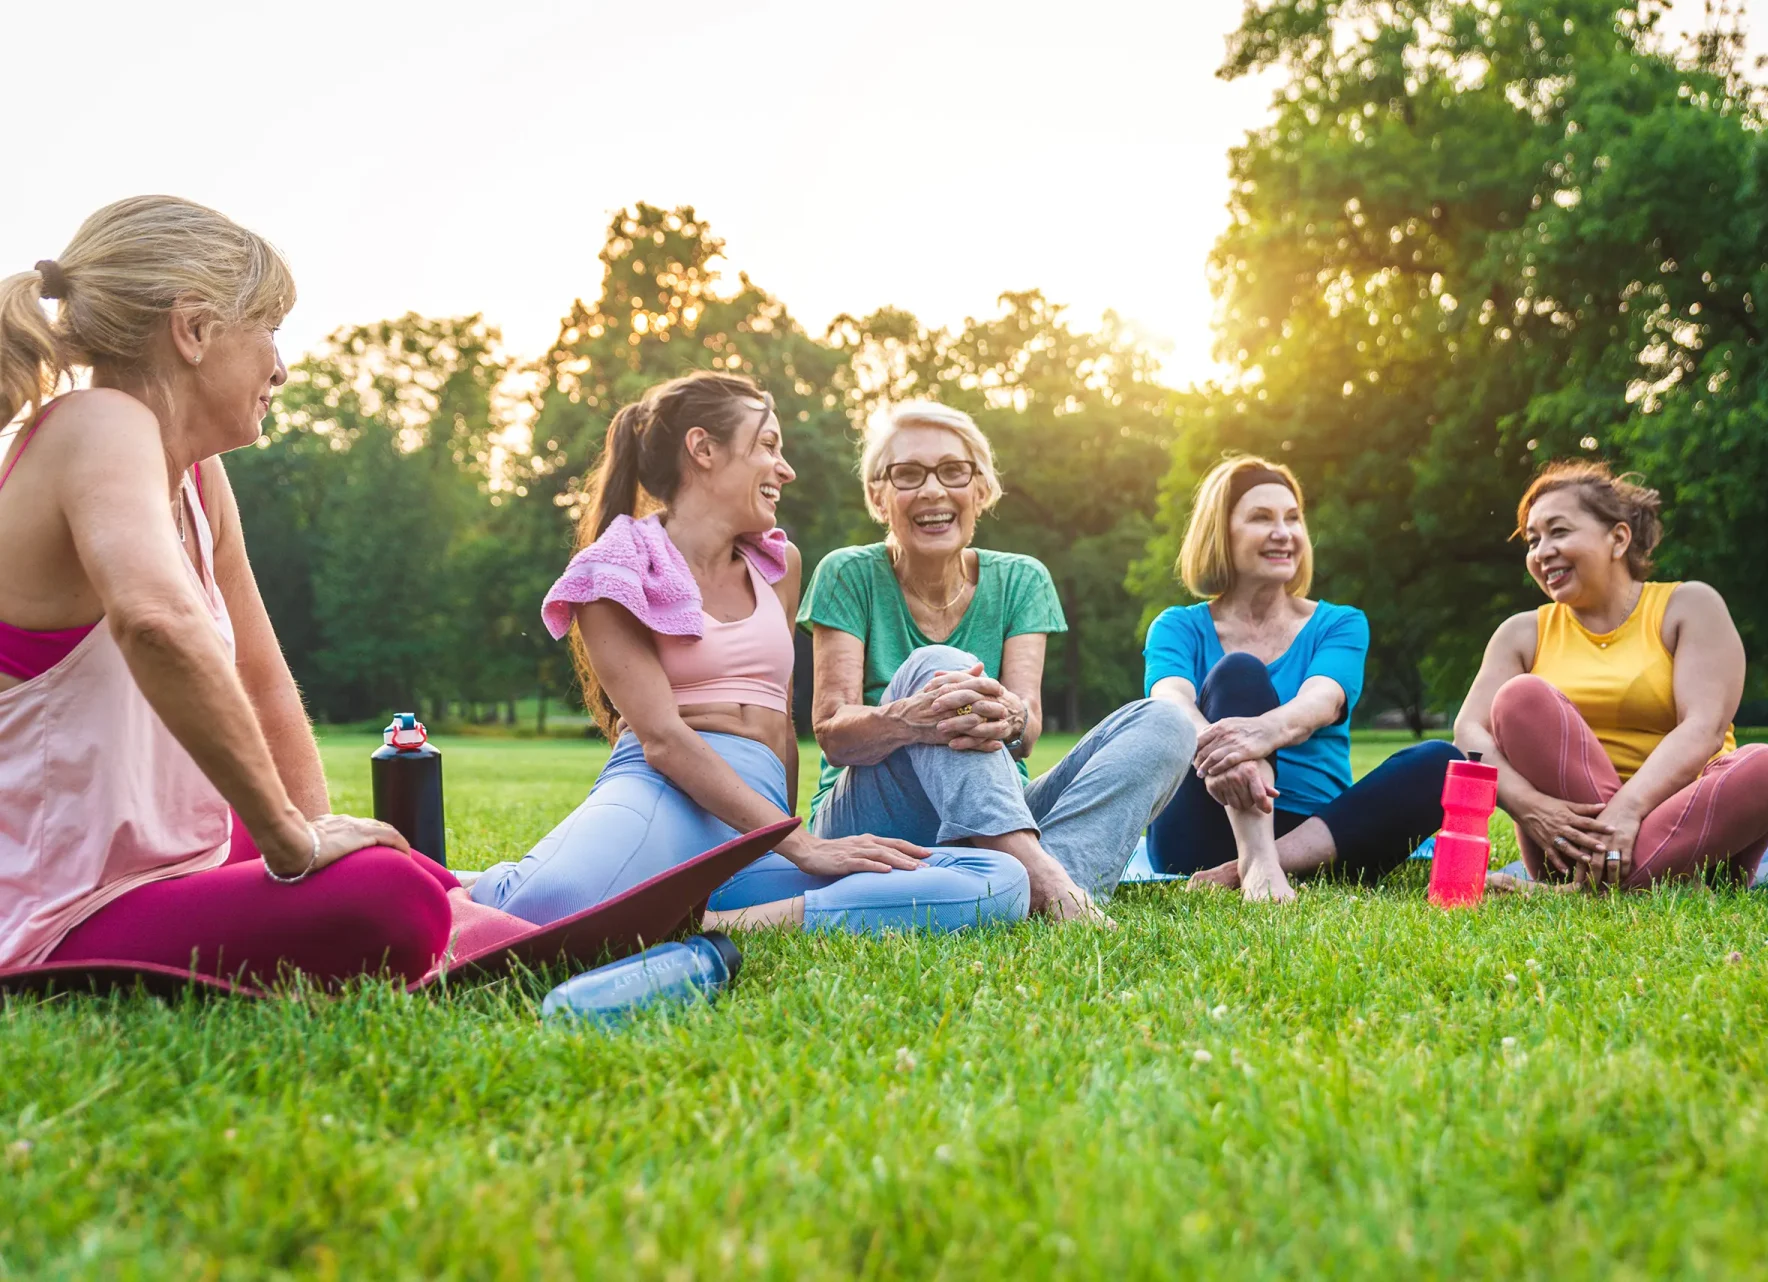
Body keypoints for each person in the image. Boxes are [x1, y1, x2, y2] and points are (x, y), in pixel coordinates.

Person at [0, 196, 456, 985]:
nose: (281, 365)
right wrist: (290, 841)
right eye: (269, 329)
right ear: (196, 330)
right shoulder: (96, 424)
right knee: (390, 900)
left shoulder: (200, 483)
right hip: (56, 912)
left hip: (166, 867)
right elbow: (155, 622)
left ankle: (499, 901)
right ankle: (479, 911)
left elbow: (264, 683)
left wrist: (309, 832)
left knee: (391, 862)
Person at [465, 375, 1028, 932]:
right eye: (768, 446)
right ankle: (468, 885)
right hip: (663, 792)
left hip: (756, 832)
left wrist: (785, 834)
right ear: (703, 449)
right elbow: (662, 739)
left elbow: (781, 724)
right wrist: (802, 844)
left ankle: (726, 921)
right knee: (549, 912)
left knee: (998, 881)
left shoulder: (777, 568)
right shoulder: (613, 573)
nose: (785, 469)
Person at [800, 401, 1196, 925]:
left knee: (1166, 722)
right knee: (939, 665)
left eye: (953, 471)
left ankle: (1017, 891)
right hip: (870, 823)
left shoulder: (1022, 580)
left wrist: (1008, 716)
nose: (934, 491)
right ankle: (1047, 881)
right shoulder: (847, 573)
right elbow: (832, 731)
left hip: (998, 811)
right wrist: (907, 719)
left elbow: (1025, 732)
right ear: (879, 495)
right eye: (908, 474)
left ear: (981, 489)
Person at [1453, 461, 1768, 890]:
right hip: (1570, 841)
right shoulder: (1522, 633)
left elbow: (1704, 728)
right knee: (1519, 698)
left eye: (1559, 532)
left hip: (1687, 832)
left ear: (1618, 538)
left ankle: (1586, 892)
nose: (1541, 552)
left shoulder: (1689, 606)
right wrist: (1531, 806)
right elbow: (1468, 730)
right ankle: (1634, 883)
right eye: (1532, 540)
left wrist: (1629, 810)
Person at [1144, 456, 1460, 902]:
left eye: (1293, 518)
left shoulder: (1340, 624)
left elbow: (1323, 701)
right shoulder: (1177, 626)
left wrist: (1260, 732)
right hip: (1201, 829)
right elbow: (1170, 699)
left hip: (1320, 834)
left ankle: (1260, 862)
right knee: (1240, 672)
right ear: (1221, 532)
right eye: (1261, 518)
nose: (1284, 532)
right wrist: (1221, 747)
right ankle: (1254, 859)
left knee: (1444, 762)